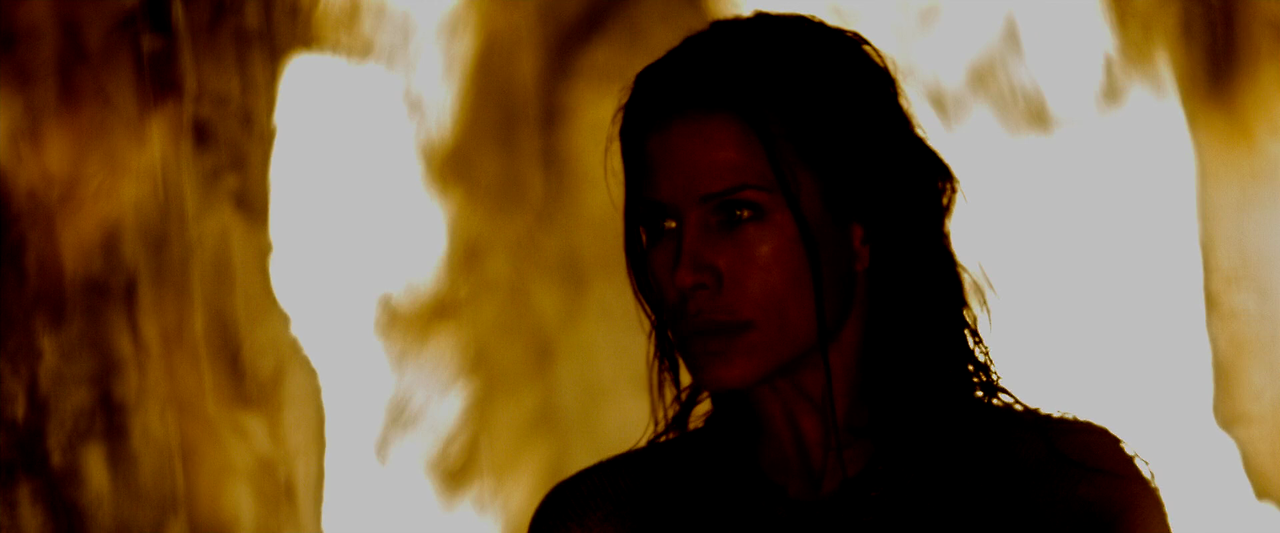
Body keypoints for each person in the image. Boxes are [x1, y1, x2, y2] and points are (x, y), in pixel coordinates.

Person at [529, 12, 1170, 532]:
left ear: (861, 227)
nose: (684, 271)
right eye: (661, 227)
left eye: (736, 214)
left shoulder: (1066, 500)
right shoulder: (609, 523)